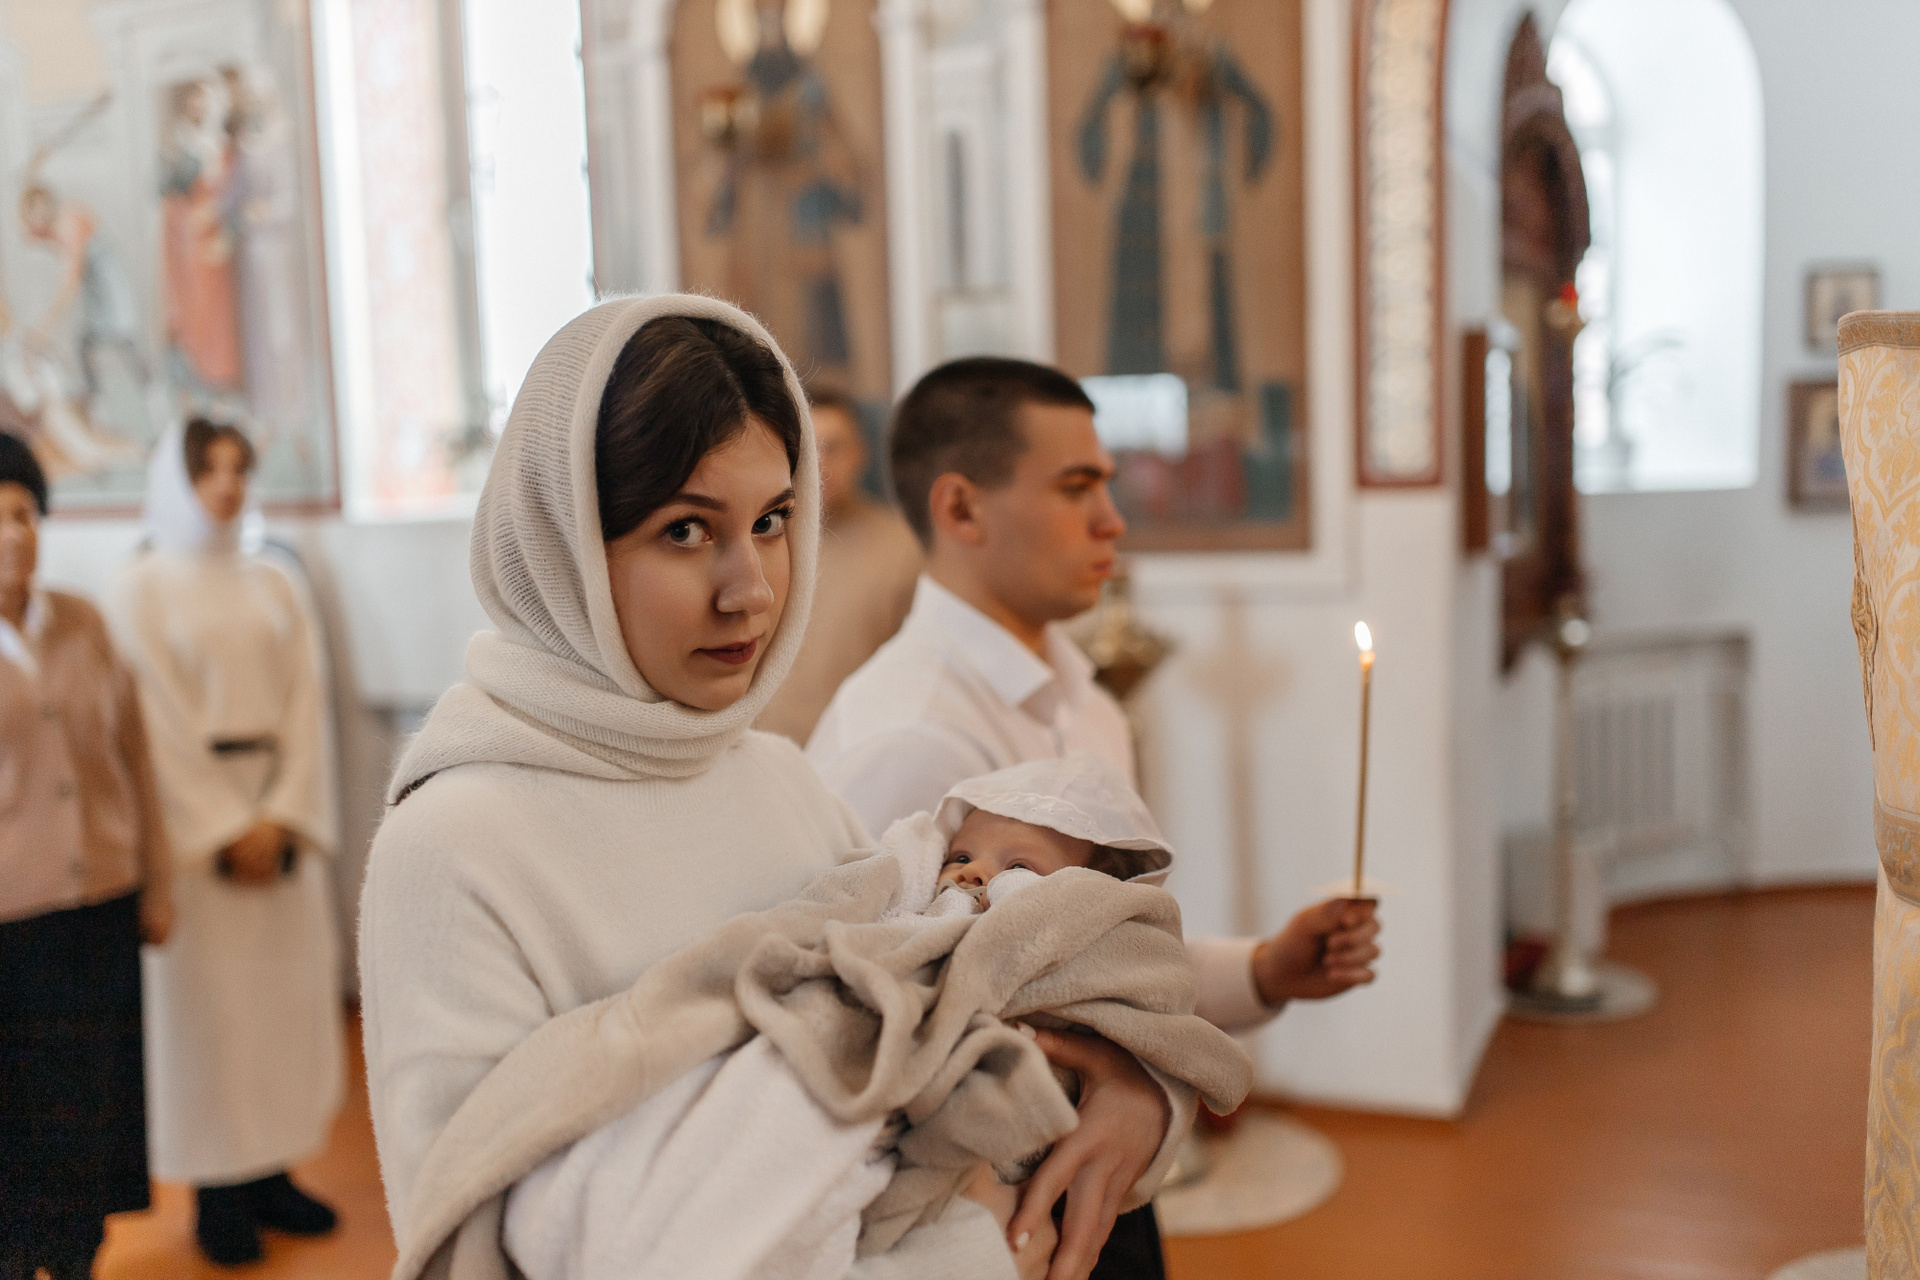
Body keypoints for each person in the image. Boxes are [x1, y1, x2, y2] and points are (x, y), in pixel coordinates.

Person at [360, 295, 1189, 1280]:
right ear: (564, 541)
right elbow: (473, 1239)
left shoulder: (778, 778)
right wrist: (982, 1247)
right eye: (683, 530)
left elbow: (941, 1018)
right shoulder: (452, 848)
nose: (749, 587)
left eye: (771, 521)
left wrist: (1131, 1086)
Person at [808, 356, 1383, 1279]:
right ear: (961, 510)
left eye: (1106, 485)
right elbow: (863, 1040)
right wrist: (1128, 1079)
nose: (1113, 520)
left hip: (1102, 1181)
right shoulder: (907, 736)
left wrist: (1265, 971)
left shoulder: (1089, 705)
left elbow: (1096, 960)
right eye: (1077, 488)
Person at [479, 754, 1246, 1280]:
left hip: (967, 1097)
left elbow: (1156, 1005)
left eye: (1020, 868)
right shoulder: (909, 872)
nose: (975, 873)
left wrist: (1144, 1084)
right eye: (962, 855)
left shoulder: (1085, 932)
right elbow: (840, 928)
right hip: (867, 1036)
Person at [107, 419, 343, 1267]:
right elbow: (153, 724)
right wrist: (224, 829)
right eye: (207, 469)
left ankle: (274, 1172)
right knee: (213, 1019)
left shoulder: (277, 579)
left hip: (278, 827)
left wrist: (281, 816)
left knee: (281, 1009)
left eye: (239, 468)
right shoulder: (138, 587)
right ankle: (217, 1193)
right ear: (174, 481)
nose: (227, 484)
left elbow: (307, 702)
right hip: (198, 846)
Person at [0, 433, 172, 1280]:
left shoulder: (84, 621)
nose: (14, 534)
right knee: (17, 1129)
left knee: (89, 1114)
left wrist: (158, 884)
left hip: (101, 908)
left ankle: (77, 1260)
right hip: (11, 927)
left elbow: (136, 758)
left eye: (24, 514)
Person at [757, 388, 920, 743]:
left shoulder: (905, 548)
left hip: (856, 749)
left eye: (832, 447)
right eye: (806, 450)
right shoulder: (757, 539)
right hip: (756, 752)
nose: (818, 463)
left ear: (861, 454)